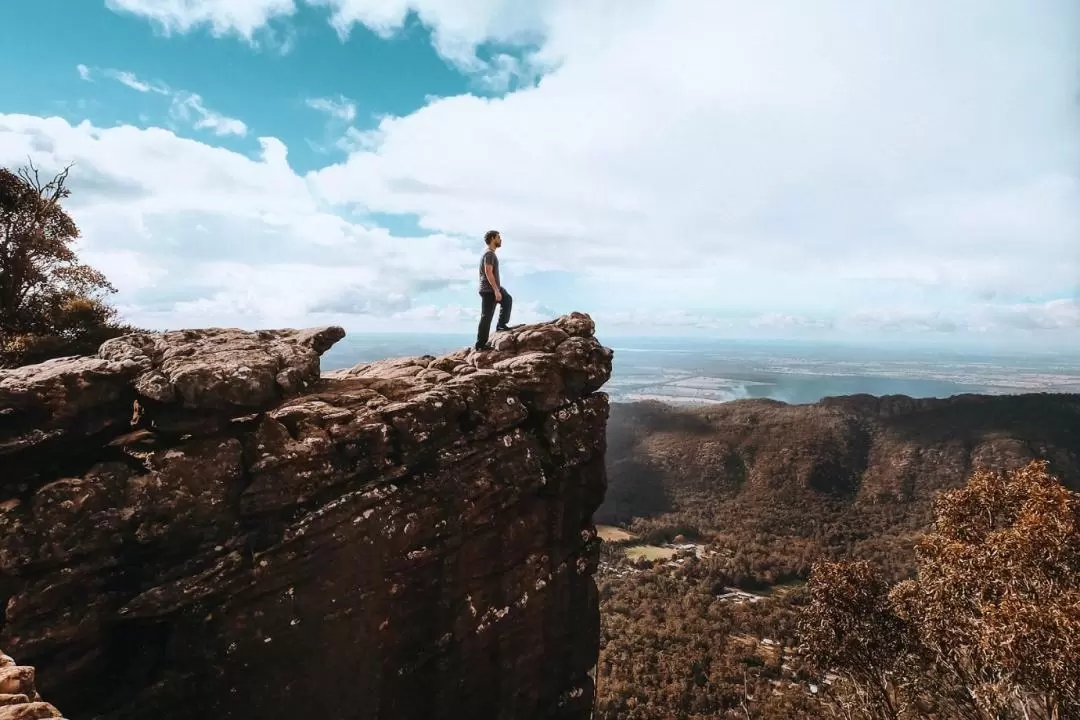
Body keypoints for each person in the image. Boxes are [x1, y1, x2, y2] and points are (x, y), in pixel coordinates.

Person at [475, 229, 514, 350]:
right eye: (498, 237)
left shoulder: (490, 254)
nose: (500, 239)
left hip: (491, 288)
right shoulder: (489, 254)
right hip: (489, 289)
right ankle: (480, 345)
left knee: (507, 299)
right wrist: (496, 290)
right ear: (492, 239)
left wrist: (497, 289)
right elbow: (488, 272)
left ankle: (501, 324)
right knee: (486, 316)